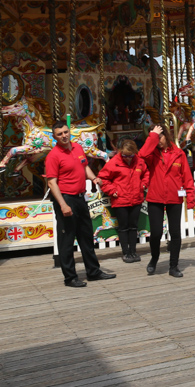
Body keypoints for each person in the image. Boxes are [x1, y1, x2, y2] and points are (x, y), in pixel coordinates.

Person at [45, 120, 116, 287]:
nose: (63, 136)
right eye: (59, 134)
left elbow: (84, 167)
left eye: (65, 132)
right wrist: (62, 204)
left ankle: (93, 271)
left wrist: (94, 178)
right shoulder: (53, 156)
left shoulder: (77, 147)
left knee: (86, 236)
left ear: (69, 132)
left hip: (80, 197)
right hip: (65, 198)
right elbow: (52, 183)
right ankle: (70, 277)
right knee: (67, 239)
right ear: (55, 137)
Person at [140, 125, 195, 278]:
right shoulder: (152, 154)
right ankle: (154, 258)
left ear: (167, 136)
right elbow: (142, 154)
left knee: (175, 233)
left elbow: (187, 177)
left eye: (160, 137)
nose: (158, 141)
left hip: (174, 197)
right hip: (155, 197)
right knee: (156, 233)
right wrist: (152, 135)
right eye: (156, 139)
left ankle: (174, 266)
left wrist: (190, 198)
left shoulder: (179, 154)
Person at [96, 138, 149, 264]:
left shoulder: (139, 162)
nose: (128, 158)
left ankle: (133, 251)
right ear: (120, 152)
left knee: (133, 227)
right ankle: (126, 252)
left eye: (131, 156)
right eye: (125, 156)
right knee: (124, 227)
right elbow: (103, 178)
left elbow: (146, 174)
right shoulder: (113, 162)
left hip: (136, 198)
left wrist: (143, 185)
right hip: (120, 199)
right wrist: (112, 190)